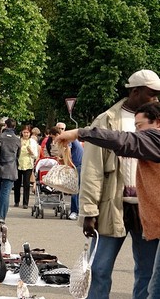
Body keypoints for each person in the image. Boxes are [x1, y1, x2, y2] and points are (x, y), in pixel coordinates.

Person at [70, 69, 160, 299]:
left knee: (148, 273)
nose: (156, 98)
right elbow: (92, 169)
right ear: (135, 91)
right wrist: (89, 211)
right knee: (100, 269)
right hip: (113, 204)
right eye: (152, 93)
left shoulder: (156, 118)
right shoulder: (107, 119)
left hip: (147, 207)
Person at [0, 118, 21, 224]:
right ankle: (1, 218)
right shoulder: (17, 139)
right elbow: (18, 155)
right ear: (14, 127)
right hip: (10, 169)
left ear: (5, 125)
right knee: (5, 194)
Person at [55, 122, 83, 221]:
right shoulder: (66, 137)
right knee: (76, 187)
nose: (61, 130)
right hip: (77, 163)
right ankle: (77, 211)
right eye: (59, 128)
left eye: (62, 128)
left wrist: (68, 164)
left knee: (75, 188)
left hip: (77, 164)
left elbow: (69, 152)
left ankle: (75, 211)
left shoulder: (66, 137)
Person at [13, 125, 38, 209]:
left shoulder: (32, 142)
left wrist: (31, 152)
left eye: (27, 132)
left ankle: (25, 203)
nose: (26, 134)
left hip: (28, 165)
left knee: (26, 184)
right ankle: (16, 201)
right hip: (18, 164)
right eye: (24, 132)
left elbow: (35, 155)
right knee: (17, 184)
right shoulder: (18, 140)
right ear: (22, 133)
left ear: (30, 133)